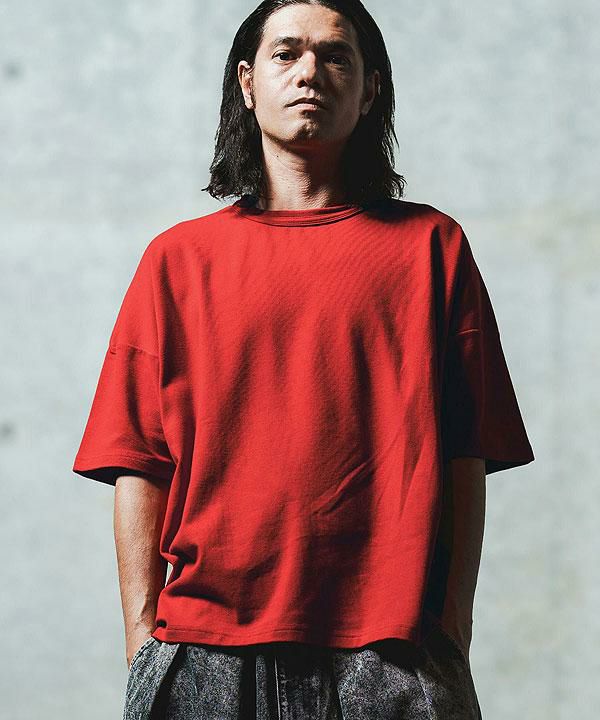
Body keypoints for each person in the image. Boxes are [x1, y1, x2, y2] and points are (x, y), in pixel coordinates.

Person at [72, 1, 535, 718]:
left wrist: (451, 629)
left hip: (393, 653)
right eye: (286, 54)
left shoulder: (431, 249)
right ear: (248, 83)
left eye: (336, 56)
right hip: (205, 652)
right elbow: (138, 459)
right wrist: (143, 646)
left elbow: (466, 452)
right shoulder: (178, 261)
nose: (310, 72)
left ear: (370, 89)